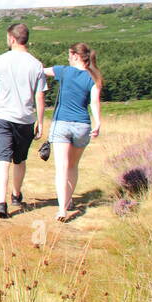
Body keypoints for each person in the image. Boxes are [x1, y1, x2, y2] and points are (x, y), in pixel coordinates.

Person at [0, 22, 47, 219]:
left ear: (12, 38)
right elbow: (40, 96)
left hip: (1, 116)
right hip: (25, 119)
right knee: (19, 159)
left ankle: (1, 202)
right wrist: (40, 121)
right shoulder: (36, 65)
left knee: (2, 160)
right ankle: (16, 194)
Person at [43, 43, 103, 222]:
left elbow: (42, 70)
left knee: (61, 167)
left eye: (69, 55)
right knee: (72, 166)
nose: (68, 58)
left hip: (61, 123)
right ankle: (68, 201)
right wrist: (98, 122)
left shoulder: (64, 71)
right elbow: (94, 102)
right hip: (82, 125)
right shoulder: (94, 77)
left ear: (76, 56)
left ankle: (62, 209)